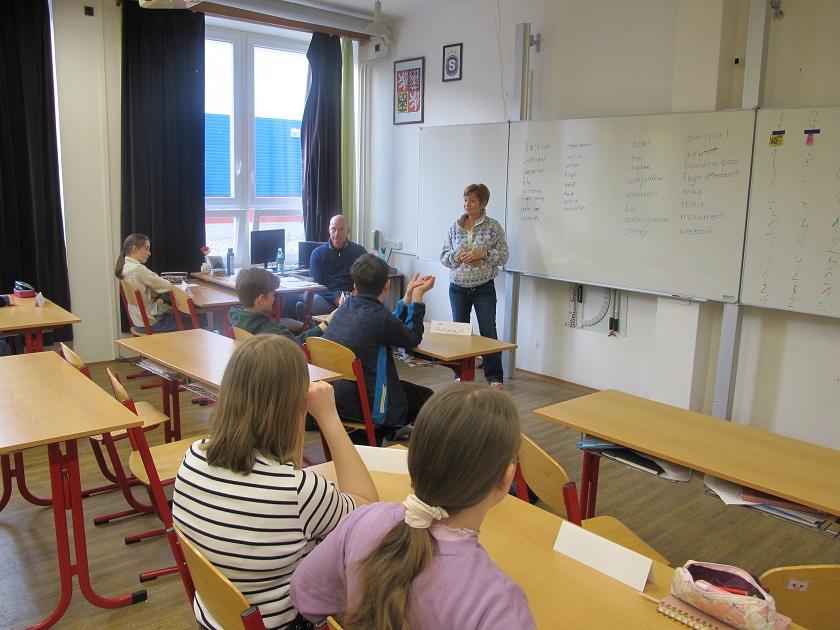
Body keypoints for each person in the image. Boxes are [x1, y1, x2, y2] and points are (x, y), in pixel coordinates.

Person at [172, 334, 378, 630]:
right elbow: (368, 512)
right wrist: (329, 418)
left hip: (216, 617)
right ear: (295, 406)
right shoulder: (297, 492)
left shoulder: (193, 456)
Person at [290, 382, 536, 629]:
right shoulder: (498, 605)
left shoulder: (363, 518)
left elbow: (306, 596)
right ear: (506, 479)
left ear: (413, 459)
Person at [323, 254, 434, 442]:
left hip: (337, 398)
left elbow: (389, 324)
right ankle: (394, 433)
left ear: (355, 285)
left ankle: (391, 431)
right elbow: (412, 338)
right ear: (387, 284)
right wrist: (418, 298)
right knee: (427, 397)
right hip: (367, 405)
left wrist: (407, 297)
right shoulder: (379, 317)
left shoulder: (347, 306)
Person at [440, 183, 509, 389]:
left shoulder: (493, 227)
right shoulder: (455, 227)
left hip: (483, 288)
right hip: (458, 288)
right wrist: (460, 256)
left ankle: (494, 377)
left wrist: (483, 254)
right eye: (465, 200)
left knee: (488, 332)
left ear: (483, 203)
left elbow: (504, 256)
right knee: (459, 333)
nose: (467, 204)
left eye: (472, 200)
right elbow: (444, 257)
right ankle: (460, 375)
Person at [229, 266, 333, 345]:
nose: (274, 299)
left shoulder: (235, 315)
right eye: (273, 295)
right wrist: (326, 323)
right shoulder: (273, 332)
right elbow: (297, 344)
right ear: (261, 299)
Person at [297, 214, 367, 321]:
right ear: (329, 230)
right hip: (327, 296)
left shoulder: (359, 251)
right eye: (333, 229)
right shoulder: (317, 253)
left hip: (352, 295)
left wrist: (358, 291)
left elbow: (368, 277)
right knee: (302, 306)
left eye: (341, 229)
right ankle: (320, 331)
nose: (336, 234)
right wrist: (334, 298)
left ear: (348, 230)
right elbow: (316, 286)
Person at [114, 233, 179, 333]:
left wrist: (151, 289)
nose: (149, 253)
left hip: (138, 322)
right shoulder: (138, 269)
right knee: (193, 318)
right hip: (150, 323)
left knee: (174, 313)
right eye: (147, 249)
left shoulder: (125, 266)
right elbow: (167, 286)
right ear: (135, 249)